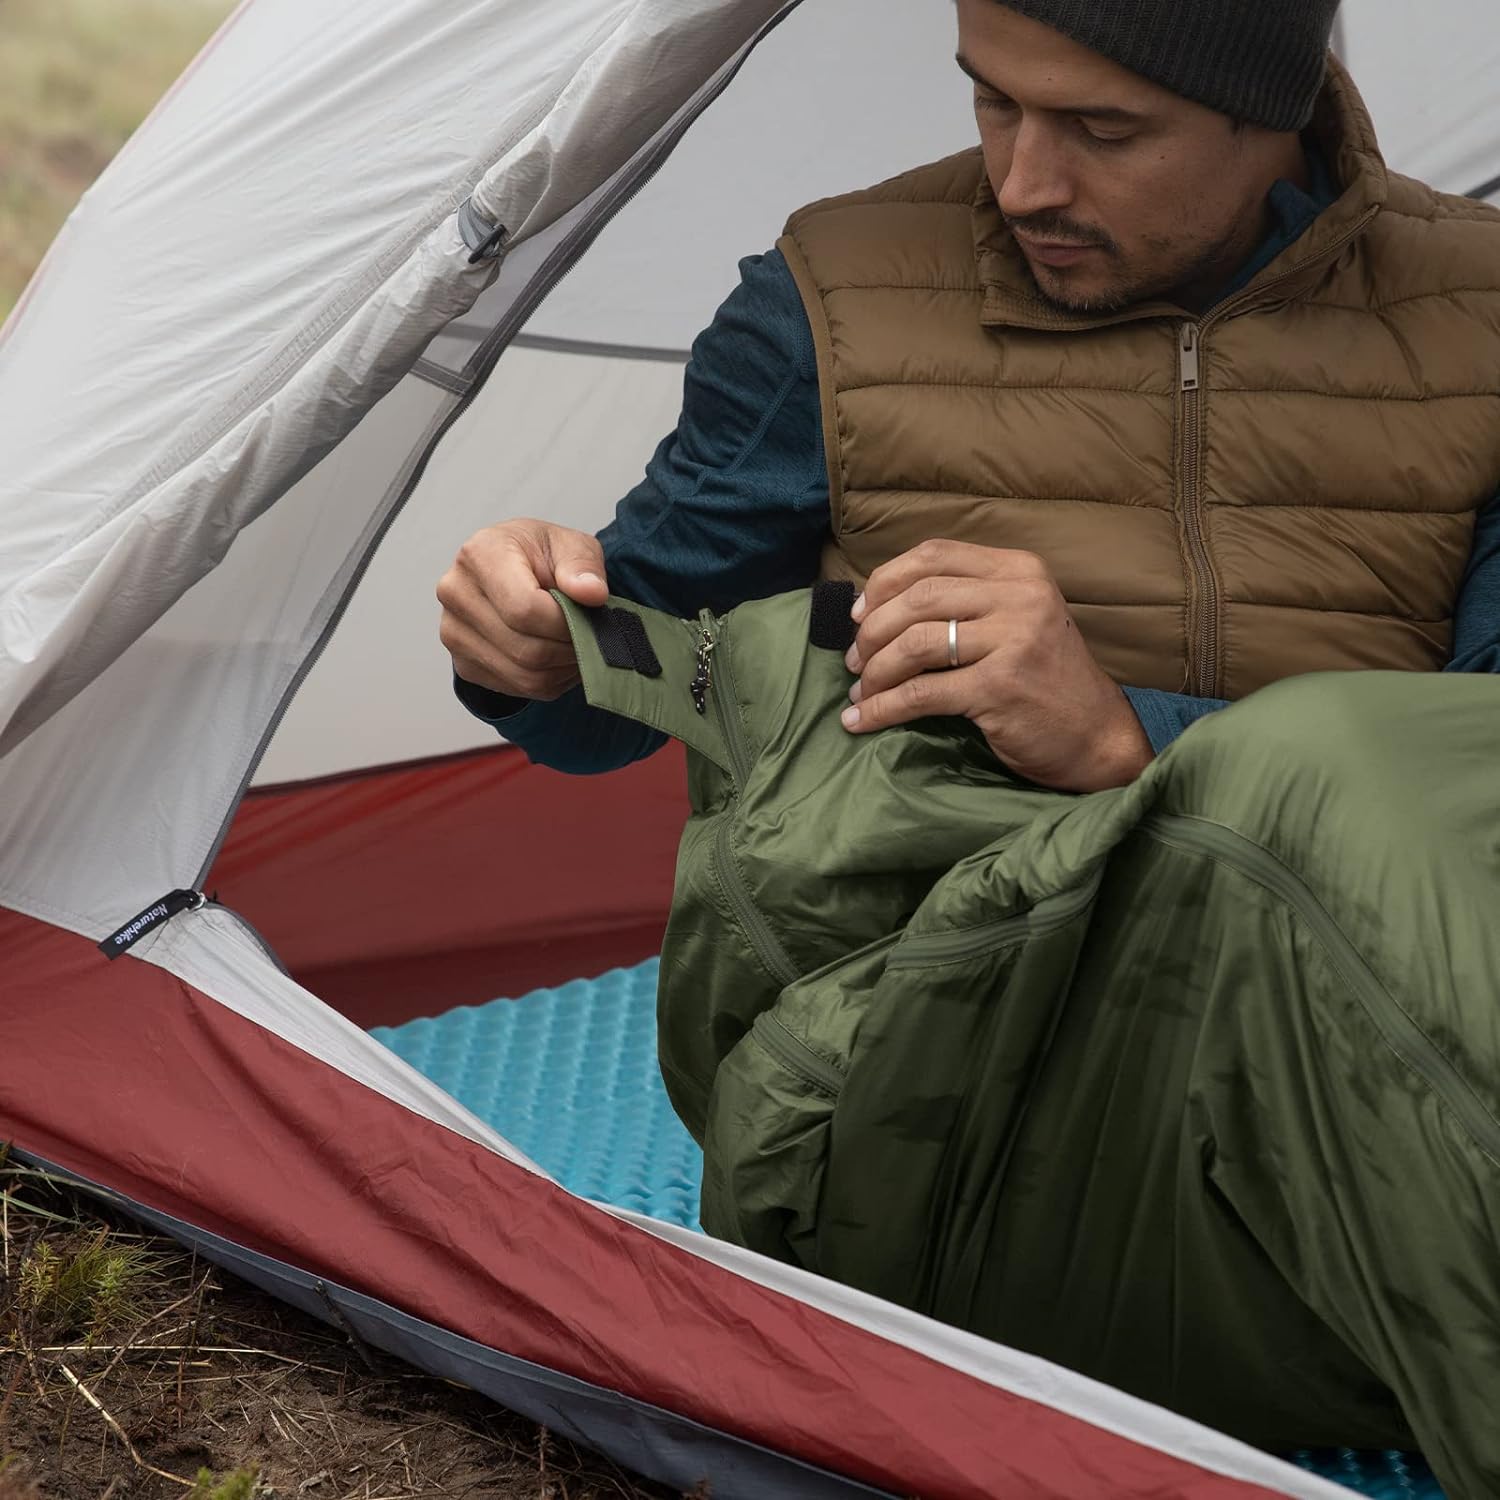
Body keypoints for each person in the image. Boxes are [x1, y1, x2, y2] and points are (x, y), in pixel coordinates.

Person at [438, 0, 1500, 786]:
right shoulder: (828, 299)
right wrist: (535, 643)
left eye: (1104, 131)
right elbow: (614, 706)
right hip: (915, 1027)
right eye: (995, 100)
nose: (1024, 183)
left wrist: (1123, 738)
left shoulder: (1479, 313)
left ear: (1267, 111)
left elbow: (1479, 766)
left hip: (1358, 1013)